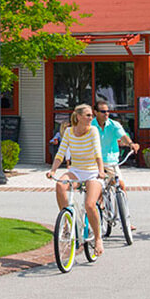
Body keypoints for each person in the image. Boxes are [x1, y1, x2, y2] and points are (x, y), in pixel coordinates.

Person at [46, 104, 106, 255]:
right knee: (60, 185)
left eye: (91, 115)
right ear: (78, 117)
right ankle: (67, 221)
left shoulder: (93, 131)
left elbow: (98, 152)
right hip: (76, 171)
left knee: (89, 204)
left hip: (93, 172)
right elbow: (60, 153)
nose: (91, 118)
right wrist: (53, 170)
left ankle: (98, 238)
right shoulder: (68, 131)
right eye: (87, 115)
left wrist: (101, 170)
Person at [92, 99, 139, 229]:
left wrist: (131, 144)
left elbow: (123, 136)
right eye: (102, 111)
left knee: (121, 186)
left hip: (112, 161)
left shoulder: (114, 124)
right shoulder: (91, 126)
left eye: (108, 111)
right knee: (97, 188)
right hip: (95, 162)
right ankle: (97, 215)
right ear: (95, 112)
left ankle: (126, 219)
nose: (106, 114)